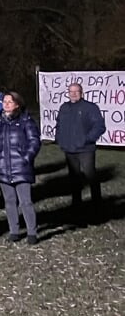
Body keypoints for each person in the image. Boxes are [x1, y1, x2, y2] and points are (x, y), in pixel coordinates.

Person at [0, 91, 41, 244]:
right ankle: (14, 231)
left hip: (21, 167)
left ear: (17, 104)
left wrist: (26, 158)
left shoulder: (26, 121)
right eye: (4, 101)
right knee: (9, 201)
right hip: (2, 167)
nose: (6, 104)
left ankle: (32, 232)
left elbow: (34, 141)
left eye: (10, 102)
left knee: (26, 201)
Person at [55, 83, 106, 222]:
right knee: (74, 179)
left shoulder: (90, 107)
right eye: (71, 91)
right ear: (67, 93)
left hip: (85, 150)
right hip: (69, 149)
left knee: (91, 177)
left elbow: (99, 126)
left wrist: (87, 139)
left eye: (76, 91)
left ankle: (97, 208)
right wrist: (59, 139)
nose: (73, 94)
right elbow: (58, 124)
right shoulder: (64, 108)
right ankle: (76, 208)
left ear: (81, 92)